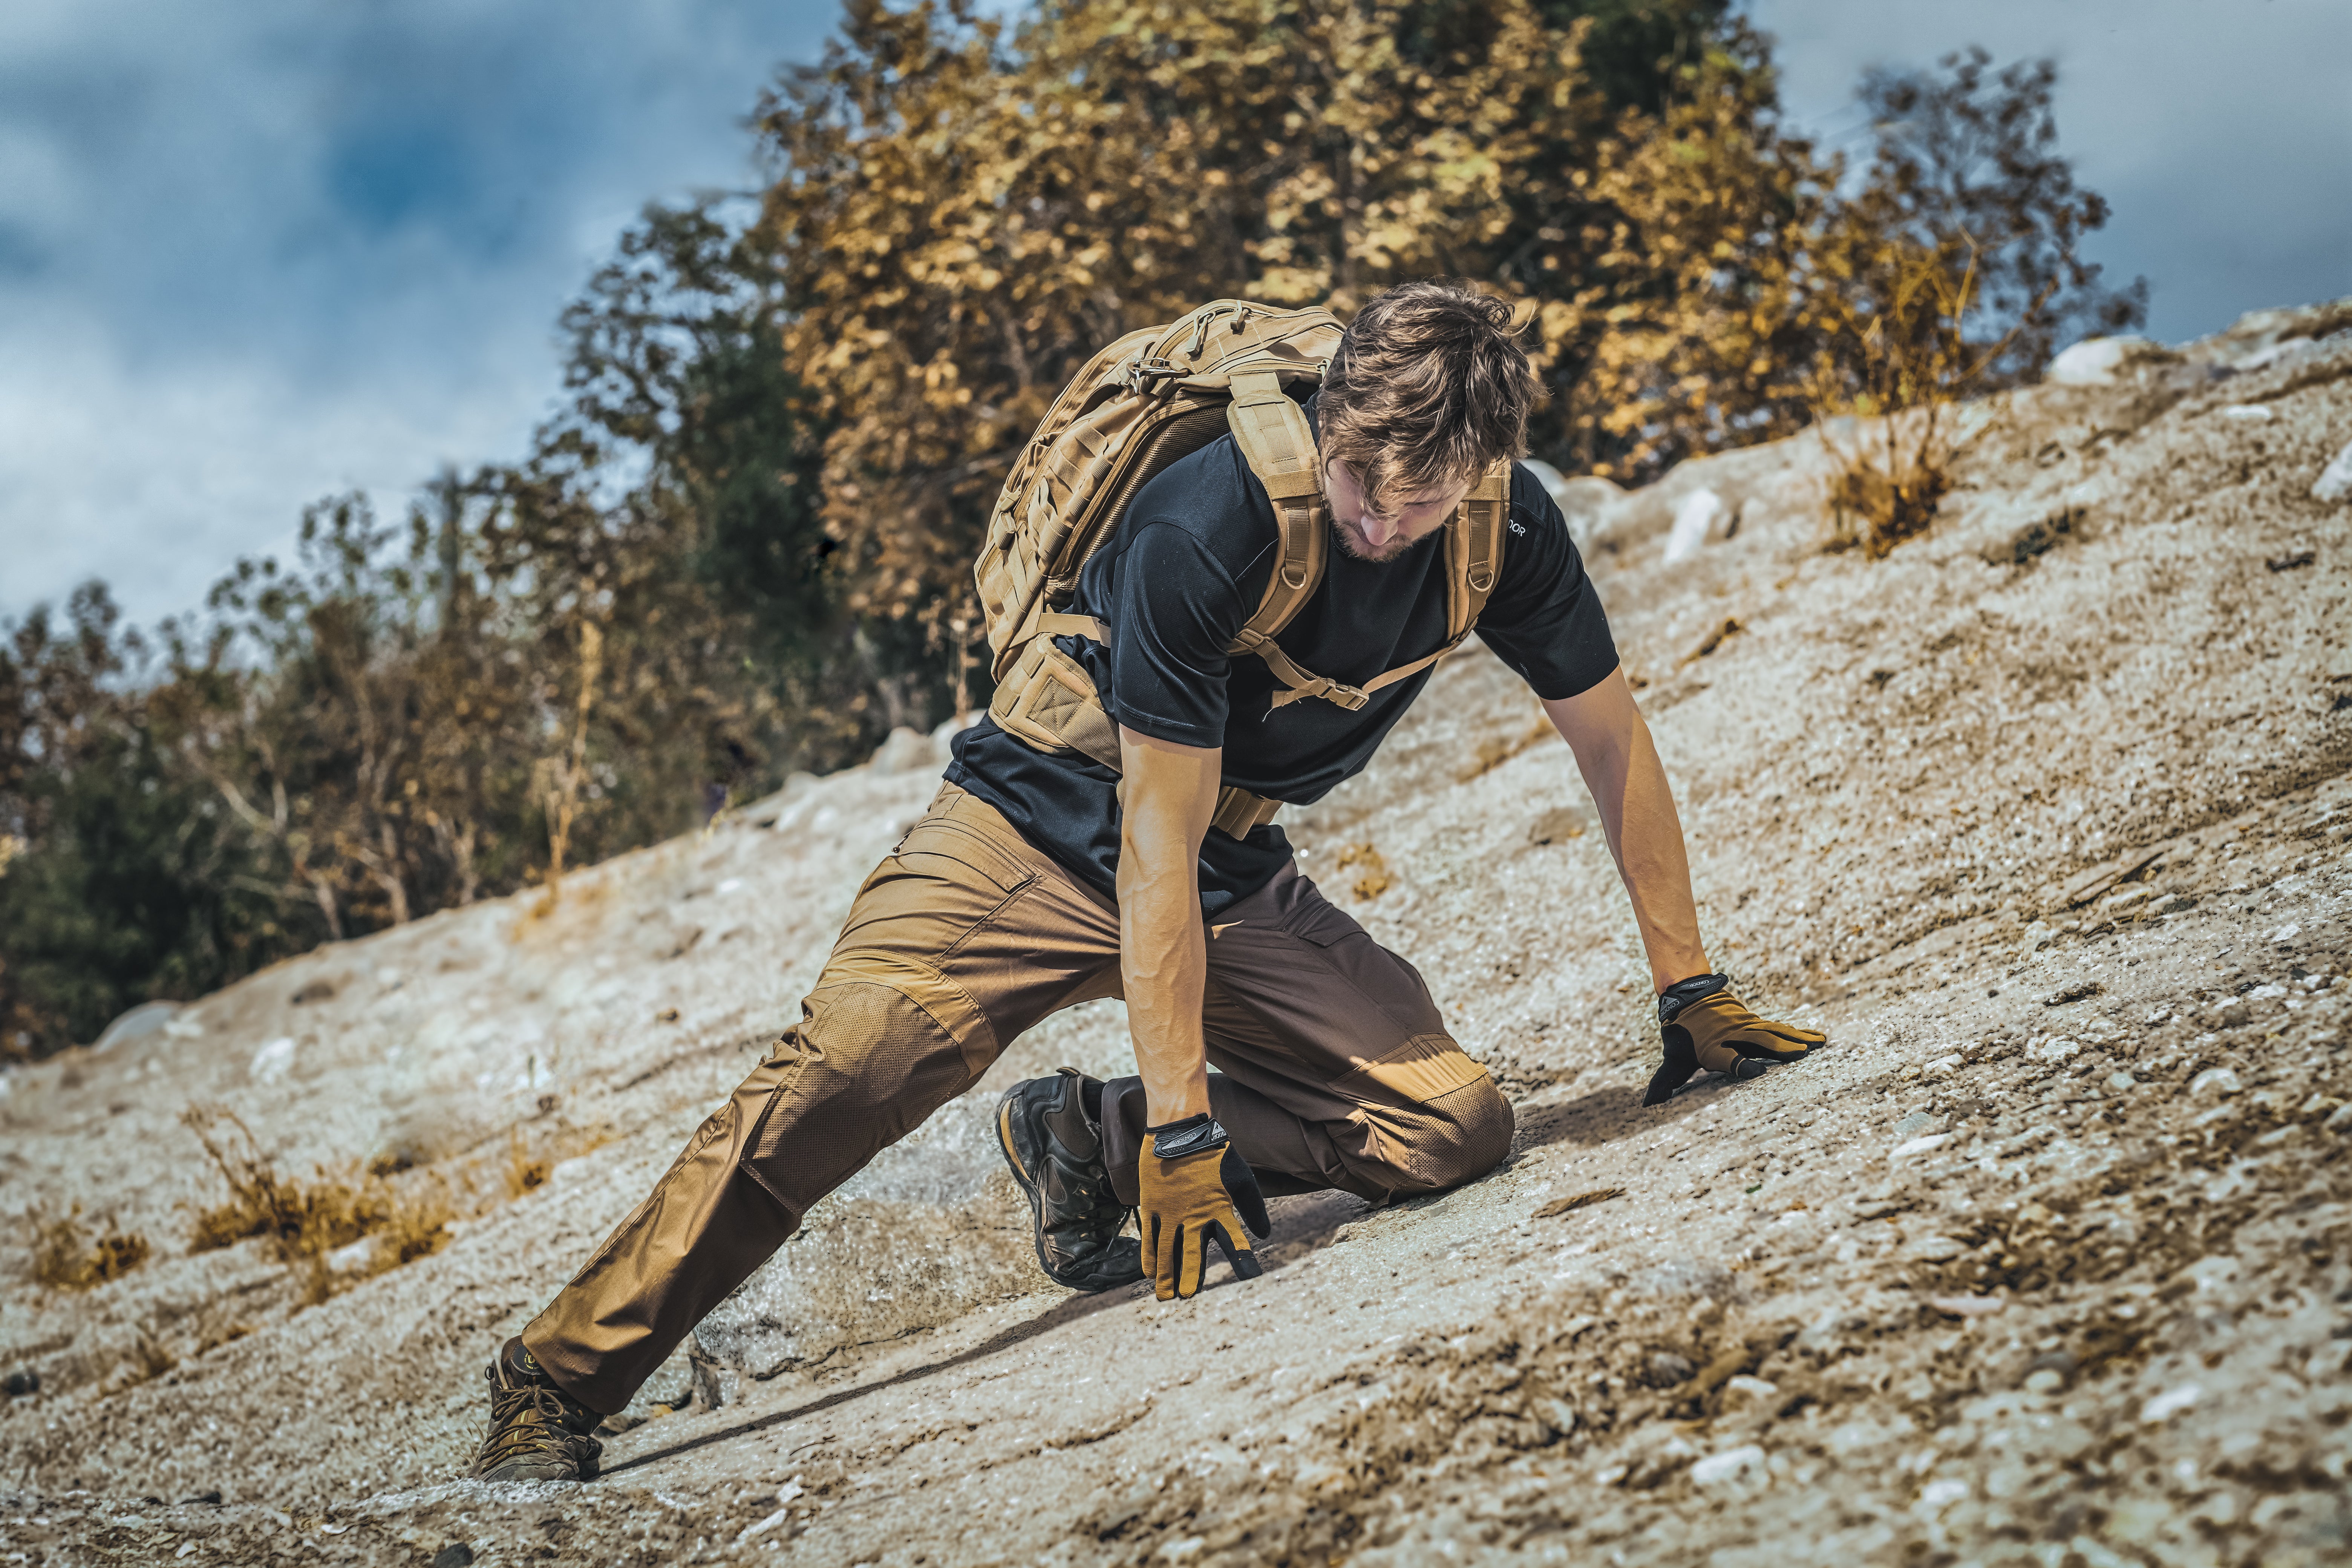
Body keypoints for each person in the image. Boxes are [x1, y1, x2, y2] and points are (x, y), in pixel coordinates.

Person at [470, 280, 1825, 1482]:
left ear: (1485, 467)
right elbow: (1146, 849)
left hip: (1229, 862)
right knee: (845, 1071)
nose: (1383, 519)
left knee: (1449, 1131)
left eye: (1424, 498)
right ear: (1329, 418)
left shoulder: (1502, 528)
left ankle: (1082, 1140)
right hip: (1032, 835)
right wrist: (1196, 1133)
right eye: (1363, 480)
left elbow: (1613, 743)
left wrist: (1688, 984)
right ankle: (556, 1380)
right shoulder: (1211, 519)